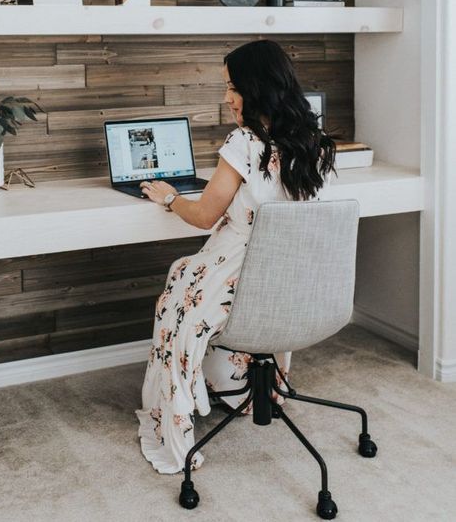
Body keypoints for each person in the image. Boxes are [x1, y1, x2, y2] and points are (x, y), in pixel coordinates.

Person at [135, 39, 335, 474]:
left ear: (258, 88)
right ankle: (239, 386)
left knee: (179, 280)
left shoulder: (244, 142)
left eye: (233, 87)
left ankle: (184, 407)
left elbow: (205, 215)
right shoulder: (314, 143)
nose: (227, 97)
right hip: (293, 289)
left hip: (241, 284)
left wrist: (170, 198)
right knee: (185, 274)